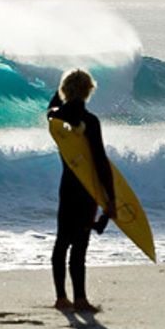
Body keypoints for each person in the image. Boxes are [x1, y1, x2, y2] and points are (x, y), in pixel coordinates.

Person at [47, 68, 114, 312]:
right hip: (87, 191)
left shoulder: (56, 118)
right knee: (80, 246)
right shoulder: (91, 122)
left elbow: (51, 106)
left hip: (67, 189)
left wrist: (62, 89)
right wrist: (110, 201)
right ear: (88, 91)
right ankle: (81, 299)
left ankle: (61, 298)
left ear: (65, 91)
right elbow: (100, 162)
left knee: (62, 242)